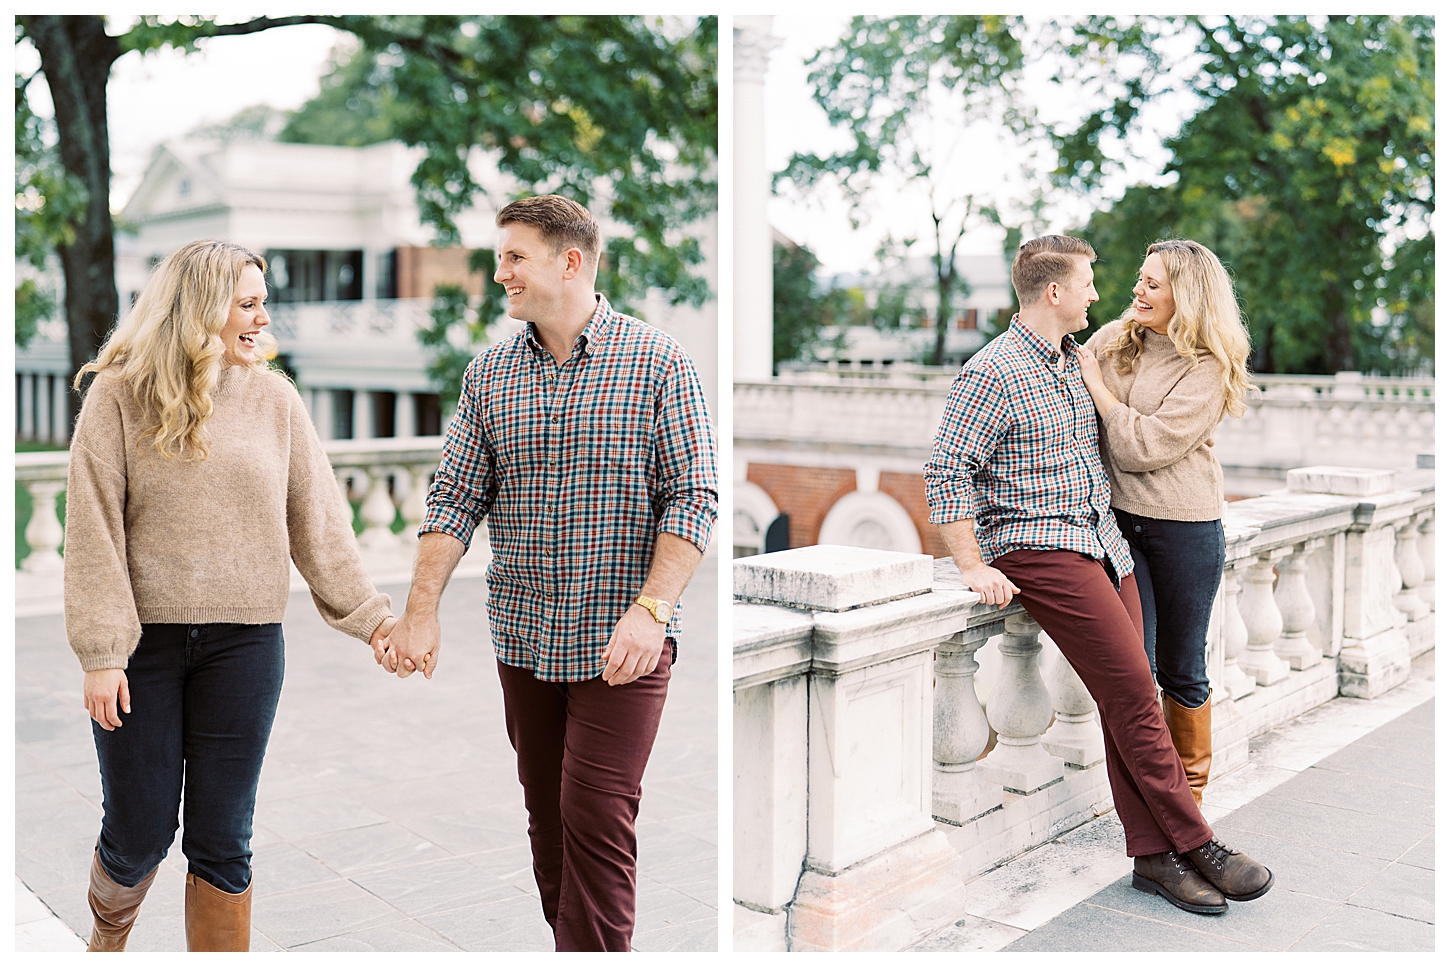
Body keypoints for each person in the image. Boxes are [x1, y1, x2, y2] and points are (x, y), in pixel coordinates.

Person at [380, 195, 717, 951]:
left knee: (596, 809)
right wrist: (421, 611)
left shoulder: (659, 362)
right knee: (549, 819)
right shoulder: (490, 373)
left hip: (622, 642)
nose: (499, 274)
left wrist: (652, 609)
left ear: (570, 262)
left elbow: (694, 497)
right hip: (524, 639)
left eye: (513, 257)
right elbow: (454, 496)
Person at [923, 234, 1270, 916]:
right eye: (1088, 282)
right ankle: (1199, 842)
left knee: (1127, 694)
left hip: (1102, 539)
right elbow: (946, 468)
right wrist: (971, 562)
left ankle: (1153, 859)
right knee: (1139, 691)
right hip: (1042, 546)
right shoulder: (993, 371)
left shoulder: (1072, 359)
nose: (1099, 294)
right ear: (1054, 292)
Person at [65, 241, 396, 951]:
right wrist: (102, 651)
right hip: (142, 648)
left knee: (223, 836)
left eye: (261, 301)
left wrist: (372, 620)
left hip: (245, 644)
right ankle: (107, 931)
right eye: (247, 303)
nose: (262, 317)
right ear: (200, 310)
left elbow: (320, 521)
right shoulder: (117, 396)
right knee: (140, 830)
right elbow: (93, 529)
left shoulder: (275, 399)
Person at [1077, 239, 1252, 805]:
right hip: (1120, 525)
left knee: (1181, 668)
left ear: (1188, 295)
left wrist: (1099, 391)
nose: (1137, 291)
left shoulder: (1209, 367)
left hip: (1185, 529)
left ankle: (1190, 806)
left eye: (1153, 284)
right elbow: (1060, 356)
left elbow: (1143, 447)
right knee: (1135, 670)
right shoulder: (1119, 336)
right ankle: (1154, 797)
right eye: (1140, 279)